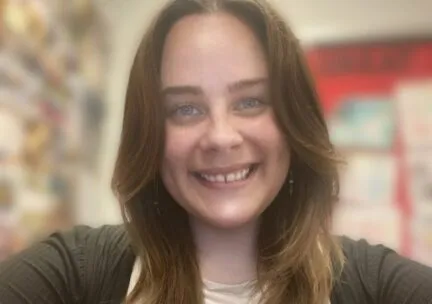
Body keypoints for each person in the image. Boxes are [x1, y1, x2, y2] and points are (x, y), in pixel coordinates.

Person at [1, 0, 432, 303]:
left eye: (250, 101)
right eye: (185, 109)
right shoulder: (72, 274)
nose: (221, 137)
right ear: (149, 133)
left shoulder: (377, 285)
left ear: (294, 120)